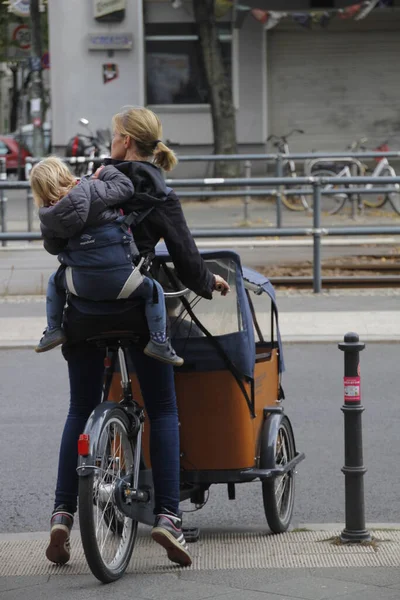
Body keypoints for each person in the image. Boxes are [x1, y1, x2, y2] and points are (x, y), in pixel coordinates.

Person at [44, 106, 230, 569]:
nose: (111, 143)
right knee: (164, 410)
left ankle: (63, 514)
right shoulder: (159, 191)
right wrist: (210, 283)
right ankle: (168, 517)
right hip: (136, 309)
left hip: (82, 311)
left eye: (113, 136)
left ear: (126, 140)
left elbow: (59, 234)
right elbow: (186, 258)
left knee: (78, 409)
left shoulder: (96, 181)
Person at [30, 156, 183, 366]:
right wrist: (105, 171)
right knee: (153, 289)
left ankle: (53, 329)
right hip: (123, 281)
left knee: (54, 282)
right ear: (64, 173)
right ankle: (159, 342)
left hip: (81, 286)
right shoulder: (94, 189)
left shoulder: (48, 219)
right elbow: (125, 188)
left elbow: (53, 248)